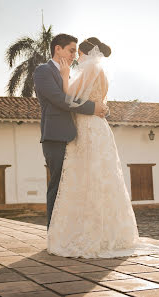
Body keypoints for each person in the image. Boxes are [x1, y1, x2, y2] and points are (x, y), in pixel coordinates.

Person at [44, 36, 159, 258]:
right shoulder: (100, 72)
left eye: (77, 53)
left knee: (88, 179)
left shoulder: (90, 69)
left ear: (85, 54)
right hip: (98, 127)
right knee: (102, 178)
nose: (75, 58)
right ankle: (108, 233)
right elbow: (100, 103)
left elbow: (68, 98)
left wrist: (64, 77)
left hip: (88, 128)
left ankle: (90, 234)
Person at [33, 34, 110, 232]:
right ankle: (54, 234)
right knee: (57, 186)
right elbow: (60, 99)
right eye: (71, 50)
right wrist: (92, 108)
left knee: (77, 186)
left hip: (79, 136)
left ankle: (75, 232)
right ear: (57, 49)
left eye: (76, 51)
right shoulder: (43, 71)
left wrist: (101, 108)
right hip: (56, 136)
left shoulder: (75, 72)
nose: (75, 55)